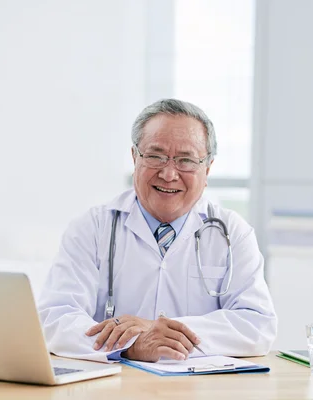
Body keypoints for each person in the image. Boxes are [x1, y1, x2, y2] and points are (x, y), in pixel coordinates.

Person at [37, 99, 277, 363]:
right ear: (134, 158)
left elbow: (257, 325)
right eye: (155, 156)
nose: (169, 173)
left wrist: (158, 331)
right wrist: (132, 344)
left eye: (186, 160)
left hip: (199, 387)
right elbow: (56, 318)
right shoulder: (92, 228)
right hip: (113, 386)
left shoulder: (233, 233)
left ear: (207, 169)